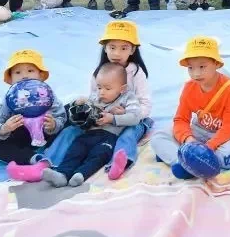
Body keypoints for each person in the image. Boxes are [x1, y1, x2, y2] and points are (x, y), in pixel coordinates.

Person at [9, 20, 153, 182]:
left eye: (124, 48)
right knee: (70, 130)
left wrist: (124, 115)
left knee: (128, 135)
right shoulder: (99, 72)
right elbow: (96, 99)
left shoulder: (136, 73)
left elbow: (145, 104)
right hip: (103, 118)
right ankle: (44, 163)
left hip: (132, 118)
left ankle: (118, 164)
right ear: (104, 48)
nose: (117, 53)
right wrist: (89, 110)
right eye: (112, 47)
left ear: (133, 49)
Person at [151, 36, 230, 178]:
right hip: (200, 129)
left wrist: (207, 147)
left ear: (216, 64)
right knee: (158, 137)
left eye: (202, 67)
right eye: (190, 68)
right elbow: (181, 120)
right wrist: (189, 140)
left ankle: (183, 158)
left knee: (225, 157)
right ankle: (181, 162)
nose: (196, 73)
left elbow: (229, 127)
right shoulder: (189, 87)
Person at [41, 63, 142, 188]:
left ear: (122, 89)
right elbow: (87, 108)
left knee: (99, 155)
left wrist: (113, 118)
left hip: (109, 136)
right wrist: (80, 103)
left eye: (107, 89)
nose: (102, 92)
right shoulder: (95, 96)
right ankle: (62, 174)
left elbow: (135, 117)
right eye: (99, 87)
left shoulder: (128, 98)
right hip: (89, 133)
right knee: (75, 151)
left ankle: (81, 174)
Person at [0, 50, 65, 167]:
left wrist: (53, 125)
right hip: (20, 137)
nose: (24, 76)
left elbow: (61, 116)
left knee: (71, 117)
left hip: (46, 134)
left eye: (30, 71)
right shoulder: (10, 98)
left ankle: (55, 153)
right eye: (18, 72)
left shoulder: (47, 93)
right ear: (11, 79)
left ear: (40, 75)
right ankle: (33, 158)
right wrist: (4, 128)